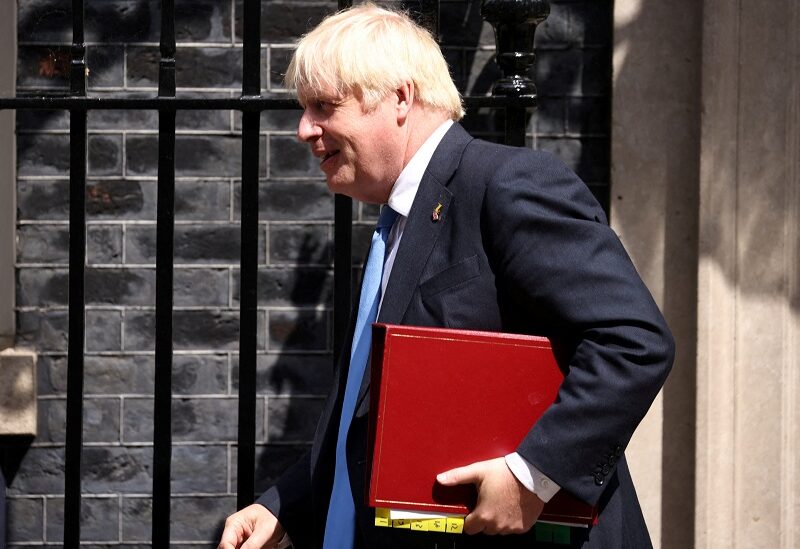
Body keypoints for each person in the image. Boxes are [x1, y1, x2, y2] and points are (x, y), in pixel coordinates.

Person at [219, 4, 674, 548]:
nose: (304, 130)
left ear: (400, 98)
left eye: (323, 107)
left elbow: (634, 342)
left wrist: (532, 475)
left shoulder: (508, 185)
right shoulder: (399, 224)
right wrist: (286, 505)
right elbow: (378, 415)